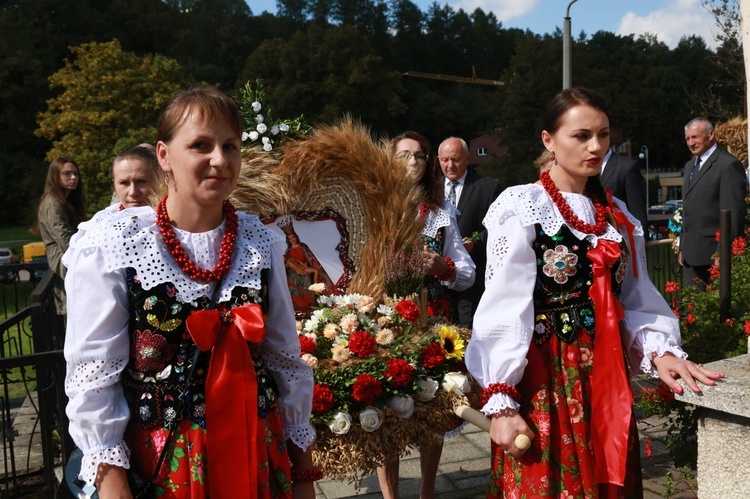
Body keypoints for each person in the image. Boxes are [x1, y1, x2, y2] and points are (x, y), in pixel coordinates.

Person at [466, 88, 723, 498]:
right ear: (548, 140)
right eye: (581, 135)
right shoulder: (522, 207)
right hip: (546, 379)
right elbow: (503, 308)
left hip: (606, 376)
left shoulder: (614, 212)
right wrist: (501, 399)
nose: (596, 146)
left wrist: (662, 350)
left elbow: (636, 295)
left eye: (603, 135)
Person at [63, 86, 316, 498]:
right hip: (170, 469)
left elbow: (285, 361)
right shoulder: (115, 244)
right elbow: (93, 383)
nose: (220, 159)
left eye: (230, 146)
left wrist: (303, 477)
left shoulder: (260, 241)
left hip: (258, 454)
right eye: (201, 145)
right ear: (164, 156)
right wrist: (114, 489)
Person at [376, 131, 475, 499]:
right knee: (387, 413)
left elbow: (466, 274)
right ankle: (390, 496)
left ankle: (428, 491)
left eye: (419, 156)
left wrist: (442, 266)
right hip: (385, 323)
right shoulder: (375, 209)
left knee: (433, 409)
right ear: (388, 160)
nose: (413, 163)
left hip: (433, 319)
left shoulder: (439, 212)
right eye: (404, 156)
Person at [438, 137, 502, 328]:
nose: (450, 165)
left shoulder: (488, 188)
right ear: (438, 160)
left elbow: (499, 230)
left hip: (475, 281)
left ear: (468, 158)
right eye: (445, 160)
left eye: (456, 159)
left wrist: (475, 244)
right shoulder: (429, 190)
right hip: (440, 284)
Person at [680, 117, 746, 288]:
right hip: (690, 256)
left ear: (710, 134)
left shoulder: (728, 165)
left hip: (714, 257)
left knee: (718, 311)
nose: (690, 143)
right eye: (687, 138)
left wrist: (722, 254)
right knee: (693, 311)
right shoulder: (689, 166)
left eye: (695, 137)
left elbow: (733, 214)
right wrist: (682, 247)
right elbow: (688, 209)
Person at [33, 157, 87, 317]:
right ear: (55, 176)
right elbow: (65, 240)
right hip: (64, 259)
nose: (73, 177)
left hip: (74, 258)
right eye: (67, 174)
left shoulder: (70, 200)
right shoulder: (52, 203)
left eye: (76, 174)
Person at [280, 220, 335, 314]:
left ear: (296, 237)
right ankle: (296, 302)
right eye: (290, 239)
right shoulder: (288, 250)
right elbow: (288, 262)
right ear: (288, 240)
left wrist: (304, 266)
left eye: (293, 237)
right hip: (293, 271)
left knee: (306, 277)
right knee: (292, 276)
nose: (292, 240)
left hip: (304, 267)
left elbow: (309, 258)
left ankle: (311, 299)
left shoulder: (303, 247)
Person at [600, 148, 648, 235]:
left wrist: (642, 241)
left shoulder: (627, 166)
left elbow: (636, 208)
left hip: (620, 238)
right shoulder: (580, 166)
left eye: (602, 135)